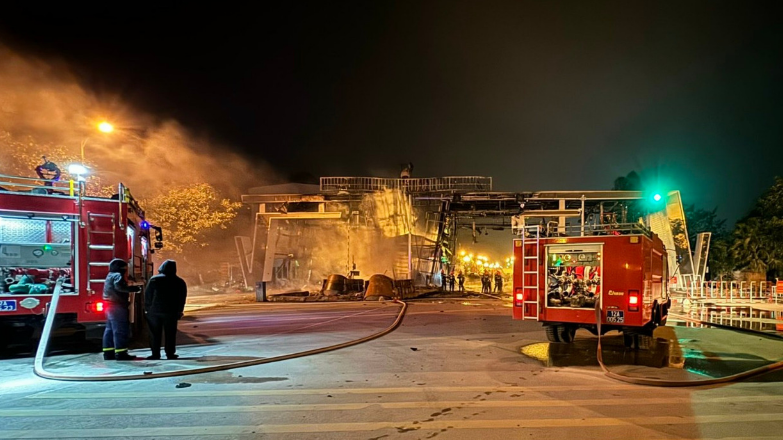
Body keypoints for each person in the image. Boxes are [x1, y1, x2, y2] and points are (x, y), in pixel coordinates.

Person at [144, 260, 188, 360]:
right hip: (171, 312)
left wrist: (147, 308)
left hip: (154, 312)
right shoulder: (179, 281)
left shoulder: (154, 279)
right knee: (170, 333)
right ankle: (170, 354)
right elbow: (182, 298)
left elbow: (148, 295)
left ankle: (155, 354)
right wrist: (180, 310)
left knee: (154, 333)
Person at [102, 259, 141, 361]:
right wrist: (134, 289)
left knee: (109, 329)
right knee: (120, 330)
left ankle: (108, 353)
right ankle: (121, 353)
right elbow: (119, 287)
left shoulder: (109, 275)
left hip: (109, 306)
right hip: (117, 306)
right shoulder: (117, 276)